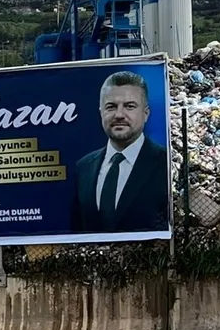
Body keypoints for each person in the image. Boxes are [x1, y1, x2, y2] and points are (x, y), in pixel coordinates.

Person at [70, 70, 169, 233]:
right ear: (101, 112)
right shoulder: (84, 167)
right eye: (111, 107)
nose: (119, 115)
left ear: (146, 114)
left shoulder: (166, 163)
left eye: (130, 106)